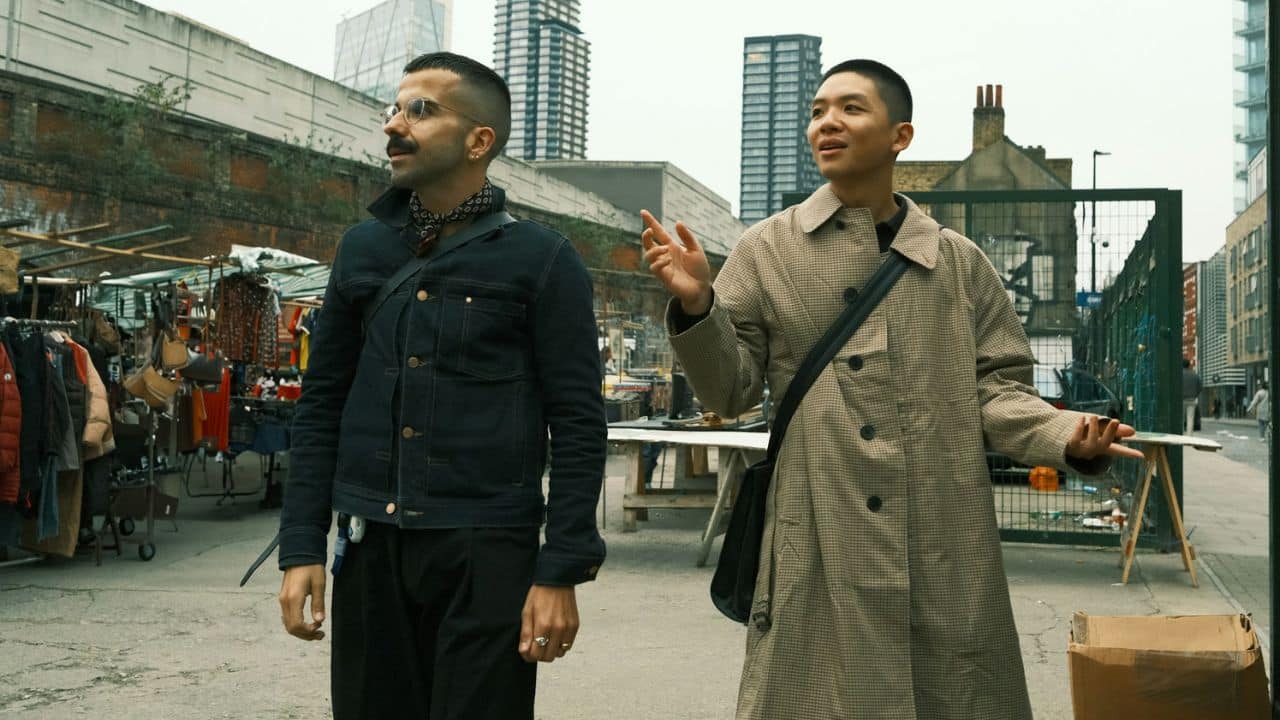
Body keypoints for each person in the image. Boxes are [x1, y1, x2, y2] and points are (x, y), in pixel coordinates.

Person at [640, 59, 1142, 720]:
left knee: (946, 691)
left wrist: (1064, 435)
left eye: (850, 108)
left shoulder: (957, 262)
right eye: (818, 110)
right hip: (817, 528)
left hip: (938, 531)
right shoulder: (766, 250)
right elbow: (731, 391)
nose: (827, 123)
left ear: (899, 136)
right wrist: (701, 306)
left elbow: (1000, 389)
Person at [276, 52, 606, 719]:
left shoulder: (541, 259)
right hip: (371, 544)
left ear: (479, 140)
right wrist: (303, 545)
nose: (396, 126)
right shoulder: (363, 249)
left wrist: (560, 569)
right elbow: (321, 407)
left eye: (420, 111)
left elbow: (576, 422)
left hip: (488, 549)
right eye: (394, 110)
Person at [1182, 359, 1202, 434]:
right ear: (1189, 365)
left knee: (1181, 418)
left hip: (1182, 399)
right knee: (1190, 418)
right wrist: (1195, 394)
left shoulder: (1179, 374)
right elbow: (1200, 386)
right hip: (1192, 399)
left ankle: (1181, 435)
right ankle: (1189, 435)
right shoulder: (1194, 374)